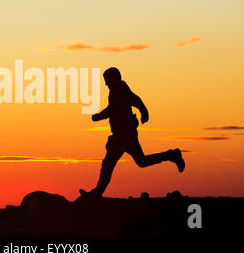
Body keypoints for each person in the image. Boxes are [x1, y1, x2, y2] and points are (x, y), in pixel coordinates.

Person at [79, 67, 185, 198]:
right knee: (120, 163)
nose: (105, 84)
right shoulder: (115, 91)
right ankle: (97, 193)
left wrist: (144, 112)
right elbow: (114, 108)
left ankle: (172, 155)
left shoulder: (121, 90)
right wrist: (100, 116)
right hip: (119, 135)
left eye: (107, 80)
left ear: (115, 78)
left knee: (132, 162)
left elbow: (134, 101)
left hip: (126, 135)